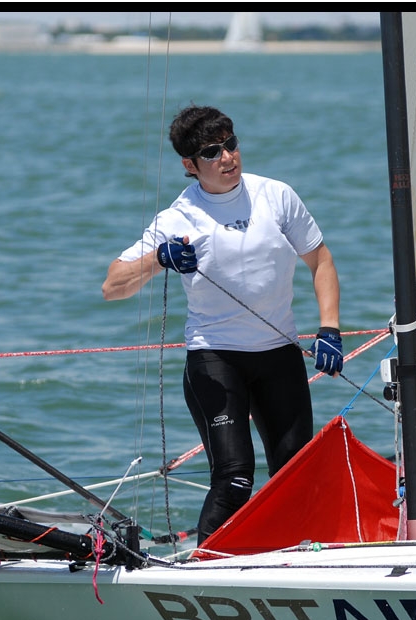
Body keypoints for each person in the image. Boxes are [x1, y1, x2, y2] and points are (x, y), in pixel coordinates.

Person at [102, 105, 343, 545]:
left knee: (296, 476)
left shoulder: (276, 196)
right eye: (212, 152)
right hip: (215, 357)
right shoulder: (179, 217)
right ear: (190, 166)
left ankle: (284, 558)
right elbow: (112, 285)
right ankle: (204, 567)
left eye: (231, 144)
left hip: (279, 355)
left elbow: (320, 260)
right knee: (235, 479)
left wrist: (329, 328)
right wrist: (159, 258)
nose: (228, 157)